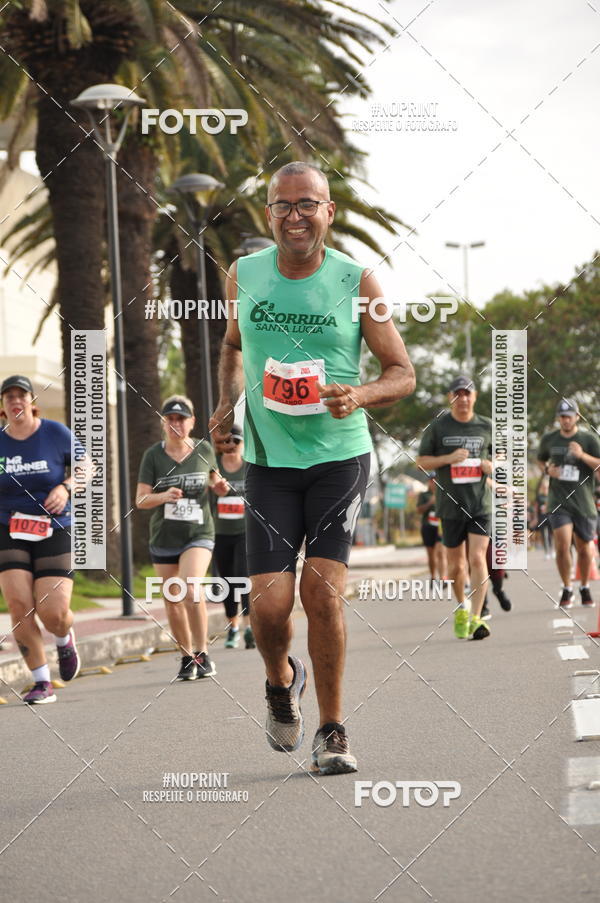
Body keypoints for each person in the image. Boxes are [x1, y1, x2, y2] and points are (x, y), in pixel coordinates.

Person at [209, 161, 415, 774]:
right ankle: (280, 682)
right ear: (269, 213)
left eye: (307, 204)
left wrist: (361, 394)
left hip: (338, 458)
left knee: (321, 593)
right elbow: (232, 346)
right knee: (269, 608)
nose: (295, 216)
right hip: (269, 462)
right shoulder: (244, 274)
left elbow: (402, 372)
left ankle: (332, 730)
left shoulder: (357, 280)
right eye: (283, 205)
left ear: (329, 211)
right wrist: (224, 403)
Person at [0, 375, 81, 703]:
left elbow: (87, 467)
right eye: (9, 397)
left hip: (54, 526)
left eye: (21, 395)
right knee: (19, 605)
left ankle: (64, 637)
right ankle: (41, 681)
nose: (15, 401)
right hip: (9, 527)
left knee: (53, 613)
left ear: (32, 402)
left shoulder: (55, 433)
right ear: (3, 406)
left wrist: (65, 487)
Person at [136, 396, 229, 680]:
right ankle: (187, 657)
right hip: (164, 536)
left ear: (192, 422)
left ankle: (203, 653)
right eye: (170, 419)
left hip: (198, 533)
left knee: (190, 587)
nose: (175, 423)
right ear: (163, 423)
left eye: (181, 418)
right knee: (172, 599)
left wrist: (219, 485)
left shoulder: (204, 449)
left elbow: (214, 478)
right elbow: (141, 500)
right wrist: (163, 496)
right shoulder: (153, 455)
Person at [416, 375, 493, 641]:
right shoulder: (438, 427)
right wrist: (449, 458)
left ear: (475, 396)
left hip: (480, 503)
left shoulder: (486, 425)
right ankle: (462, 606)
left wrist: (491, 465)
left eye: (467, 394)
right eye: (457, 394)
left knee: (477, 558)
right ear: (451, 398)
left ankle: (477, 617)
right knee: (456, 567)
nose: (463, 399)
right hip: (449, 506)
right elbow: (421, 462)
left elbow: (500, 455)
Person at [537, 398, 600, 607]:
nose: (565, 420)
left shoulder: (589, 439)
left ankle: (584, 586)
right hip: (558, 501)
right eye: (562, 417)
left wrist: (582, 455)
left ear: (577, 417)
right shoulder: (550, 439)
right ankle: (567, 587)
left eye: (569, 416)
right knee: (562, 545)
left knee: (584, 549)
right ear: (558, 418)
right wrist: (548, 470)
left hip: (583, 502)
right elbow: (540, 459)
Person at [212, 423, 254, 649]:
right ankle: (233, 627)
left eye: (235, 440)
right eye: (225, 441)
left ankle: (249, 627)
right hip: (220, 532)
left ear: (242, 443)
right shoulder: (214, 467)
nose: (230, 445)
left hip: (245, 531)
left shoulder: (249, 467)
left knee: (243, 576)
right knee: (227, 580)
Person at [416, 474, 447, 580]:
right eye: (432, 481)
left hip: (440, 527)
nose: (434, 483)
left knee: (441, 552)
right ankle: (433, 577)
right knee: (431, 554)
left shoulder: (443, 494)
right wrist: (430, 503)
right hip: (427, 526)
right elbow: (419, 510)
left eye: (436, 480)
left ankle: (443, 578)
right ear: (429, 482)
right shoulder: (423, 495)